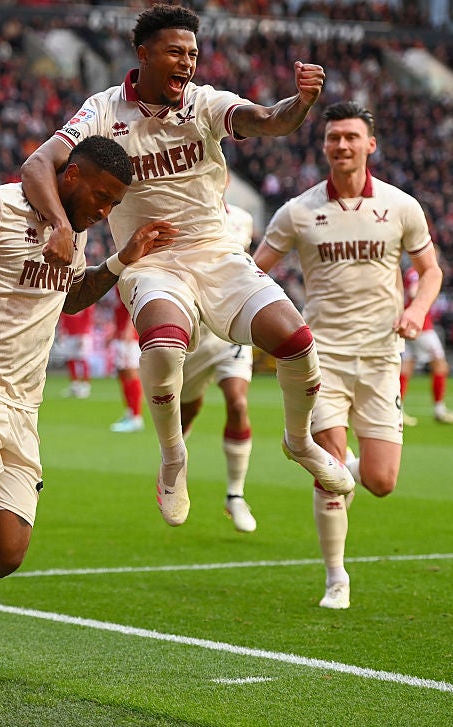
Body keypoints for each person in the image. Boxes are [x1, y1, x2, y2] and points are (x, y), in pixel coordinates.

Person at [21, 3, 353, 529]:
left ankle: (299, 441)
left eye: (193, 53)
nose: (187, 63)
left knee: (296, 341)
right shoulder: (104, 110)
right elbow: (38, 163)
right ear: (144, 53)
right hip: (151, 260)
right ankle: (174, 456)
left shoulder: (204, 103)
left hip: (217, 254)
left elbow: (269, 120)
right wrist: (61, 228)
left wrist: (304, 102)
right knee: (162, 339)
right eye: (176, 52)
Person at [0, 136, 175, 717]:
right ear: (69, 176)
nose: (105, 210)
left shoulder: (77, 231)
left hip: (22, 409)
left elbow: (68, 301)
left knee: (7, 553)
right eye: (101, 195)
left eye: (115, 202)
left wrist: (121, 261)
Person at [252, 100, 443, 610]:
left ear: (369, 144)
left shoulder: (402, 207)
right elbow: (254, 271)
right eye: (333, 137)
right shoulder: (298, 210)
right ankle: (336, 577)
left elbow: (431, 271)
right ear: (324, 145)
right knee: (330, 469)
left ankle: (336, 465)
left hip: (382, 357)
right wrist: (270, 321)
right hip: (323, 359)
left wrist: (418, 310)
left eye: (351, 137)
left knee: (380, 481)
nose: (341, 145)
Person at [179, 200, 258, 532]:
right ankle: (174, 468)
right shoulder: (181, 213)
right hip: (195, 333)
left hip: (231, 329)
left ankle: (235, 494)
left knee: (238, 403)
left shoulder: (243, 220)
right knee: (185, 412)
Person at [399, 266, 453, 425]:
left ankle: (397, 411)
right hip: (421, 326)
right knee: (440, 364)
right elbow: (414, 292)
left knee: (406, 366)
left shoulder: (411, 272)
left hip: (408, 322)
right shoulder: (417, 272)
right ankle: (439, 410)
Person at [108, 296, 144, 432]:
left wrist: (130, 328)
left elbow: (133, 305)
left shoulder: (126, 277)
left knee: (130, 373)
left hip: (129, 336)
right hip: (121, 333)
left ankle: (136, 418)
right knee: (122, 373)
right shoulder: (117, 282)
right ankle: (130, 413)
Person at [59, 308, 94, 398]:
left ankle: (86, 386)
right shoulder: (67, 299)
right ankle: (75, 385)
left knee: (83, 359)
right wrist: (62, 330)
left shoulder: (85, 300)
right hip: (69, 334)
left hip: (82, 335)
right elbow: (63, 316)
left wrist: (83, 332)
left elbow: (88, 317)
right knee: (70, 359)